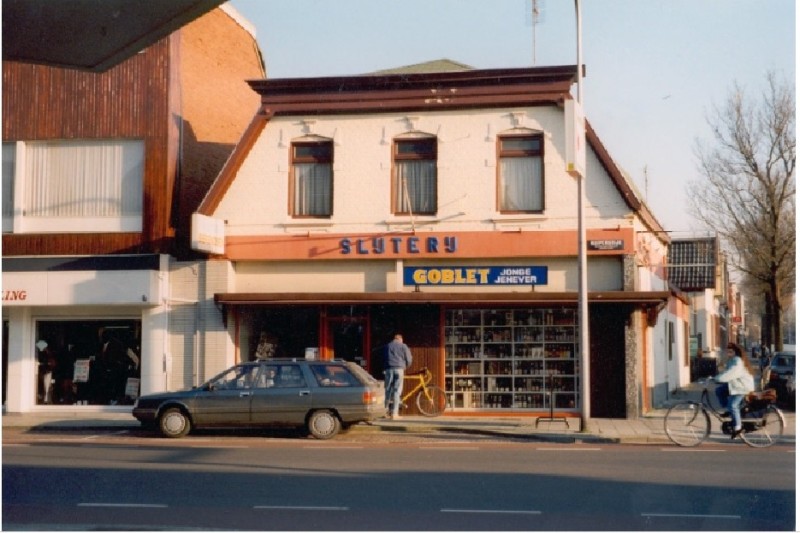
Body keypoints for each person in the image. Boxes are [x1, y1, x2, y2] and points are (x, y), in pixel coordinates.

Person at [714, 343, 756, 439]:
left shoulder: (737, 361)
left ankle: (738, 427)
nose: (728, 353)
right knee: (719, 391)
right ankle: (730, 411)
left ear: (736, 352)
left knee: (733, 405)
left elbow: (731, 373)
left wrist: (718, 379)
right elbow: (725, 372)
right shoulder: (732, 360)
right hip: (735, 385)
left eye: (731, 351)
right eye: (727, 351)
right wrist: (716, 377)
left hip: (742, 387)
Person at [383, 334, 412, 419]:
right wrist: (405, 366)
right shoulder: (403, 346)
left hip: (388, 369)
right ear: (400, 339)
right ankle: (394, 414)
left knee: (387, 390)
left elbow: (384, 358)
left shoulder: (387, 346)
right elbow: (409, 359)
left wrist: (385, 367)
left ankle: (385, 411)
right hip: (399, 369)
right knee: (397, 391)